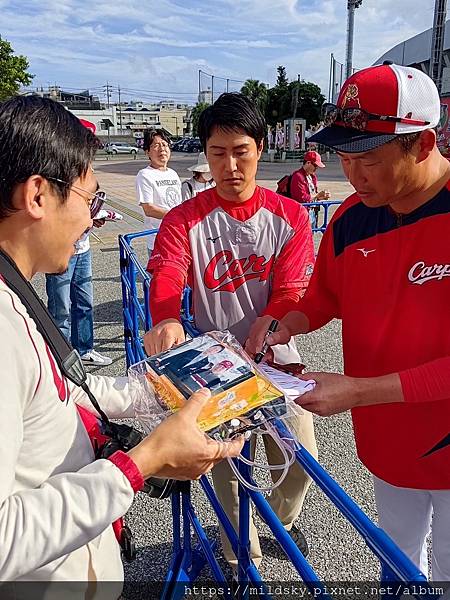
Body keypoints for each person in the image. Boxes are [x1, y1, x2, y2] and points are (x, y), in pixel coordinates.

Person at [0, 95, 243, 585]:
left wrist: (149, 390)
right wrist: (143, 463)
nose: (93, 220)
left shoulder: (17, 287)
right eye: (91, 200)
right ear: (38, 195)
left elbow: (51, 400)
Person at [247, 63, 450, 580]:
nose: (353, 175)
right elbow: (324, 297)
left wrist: (359, 391)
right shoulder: (351, 215)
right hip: (386, 441)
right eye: (344, 155)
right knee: (400, 560)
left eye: (369, 158)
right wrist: (283, 322)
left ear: (423, 144)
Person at [144, 92, 318, 566]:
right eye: (217, 153)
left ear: (261, 147)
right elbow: (167, 273)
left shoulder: (290, 215)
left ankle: (279, 520)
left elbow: (294, 287)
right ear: (205, 153)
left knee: (301, 456)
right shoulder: (185, 218)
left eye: (240, 150)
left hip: (276, 359)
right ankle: (243, 559)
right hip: (214, 365)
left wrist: (271, 319)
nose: (230, 165)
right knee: (225, 473)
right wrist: (165, 318)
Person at [45, 225, 112, 367]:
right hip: (59, 250)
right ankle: (60, 357)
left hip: (83, 250)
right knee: (60, 308)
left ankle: (84, 351)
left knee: (85, 303)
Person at [135, 129, 182, 256]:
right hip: (159, 239)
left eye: (165, 144)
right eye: (156, 145)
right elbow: (148, 209)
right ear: (147, 152)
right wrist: (178, 216)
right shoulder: (145, 175)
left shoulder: (173, 174)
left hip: (178, 236)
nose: (162, 149)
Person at [290, 150, 330, 228]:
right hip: (303, 213)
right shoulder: (297, 176)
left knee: (311, 235)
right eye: (315, 165)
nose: (316, 168)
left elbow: (313, 194)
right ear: (308, 163)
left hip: (312, 211)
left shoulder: (312, 177)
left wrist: (321, 196)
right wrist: (317, 196)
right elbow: (301, 198)